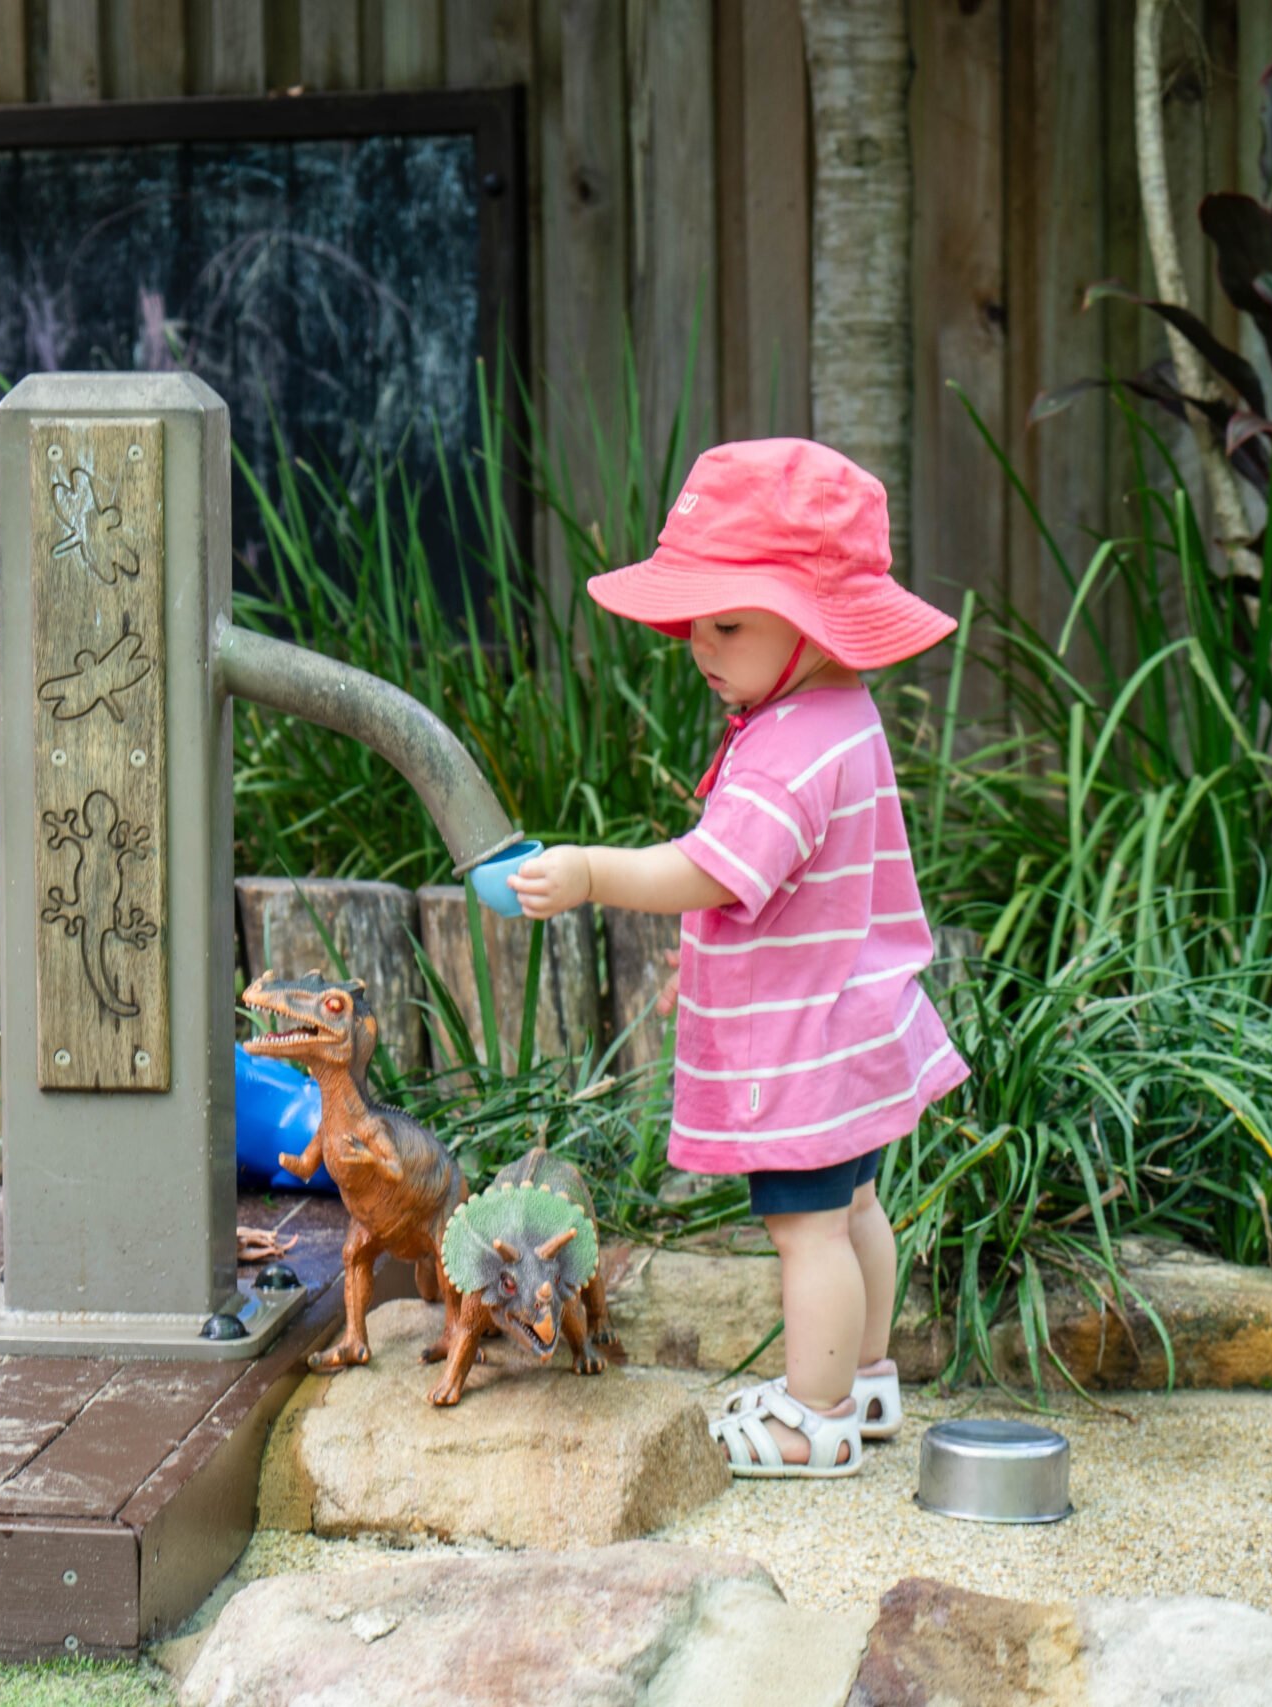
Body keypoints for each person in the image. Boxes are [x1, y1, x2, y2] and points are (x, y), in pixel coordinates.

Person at [507, 437, 971, 1477]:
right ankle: (862, 1381)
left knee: (806, 1230)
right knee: (854, 1208)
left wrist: (588, 871)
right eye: (692, 625)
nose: (697, 646)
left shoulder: (788, 746)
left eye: (725, 622)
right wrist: (709, 968)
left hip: (806, 1047)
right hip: (849, 1022)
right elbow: (785, 895)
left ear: (806, 625)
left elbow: (714, 869)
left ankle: (814, 1419)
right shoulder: (837, 715)